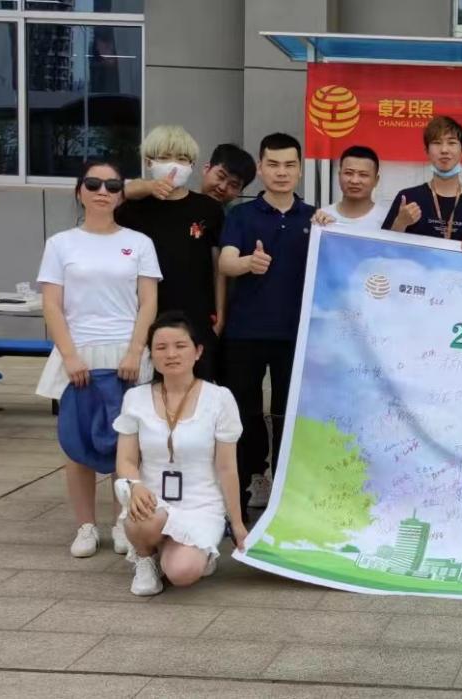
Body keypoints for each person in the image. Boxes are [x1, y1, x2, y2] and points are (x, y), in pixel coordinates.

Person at [36, 160, 161, 558]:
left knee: (126, 443)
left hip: (126, 353)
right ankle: (85, 526)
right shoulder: (60, 244)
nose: (102, 191)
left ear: (122, 194)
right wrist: (70, 356)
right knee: (78, 442)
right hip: (79, 353)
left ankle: (124, 521)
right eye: (93, 184)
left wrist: (136, 350)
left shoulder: (139, 242)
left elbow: (148, 302)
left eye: (112, 185)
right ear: (80, 191)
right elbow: (52, 305)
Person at [113, 311, 246, 596]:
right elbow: (126, 460)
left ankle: (184, 551)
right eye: (161, 347)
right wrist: (135, 486)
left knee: (182, 573)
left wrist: (237, 524)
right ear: (151, 355)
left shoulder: (220, 398)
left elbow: (227, 468)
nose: (171, 354)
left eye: (180, 346)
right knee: (141, 513)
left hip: (201, 505)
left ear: (197, 351)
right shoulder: (135, 398)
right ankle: (145, 558)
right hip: (152, 502)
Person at [217, 132, 314, 520]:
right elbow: (225, 262)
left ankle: (287, 497)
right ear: (260, 168)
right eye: (273, 164)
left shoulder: (315, 218)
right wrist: (247, 263)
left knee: (289, 416)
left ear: (300, 170)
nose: (281, 172)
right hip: (245, 333)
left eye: (289, 165)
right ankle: (243, 490)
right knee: (244, 414)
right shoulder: (241, 216)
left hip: (297, 336)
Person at [114, 125, 226, 381]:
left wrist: (220, 315)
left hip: (197, 316)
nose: (174, 165)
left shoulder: (208, 209)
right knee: (148, 391)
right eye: (164, 158)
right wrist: (142, 188)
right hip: (144, 318)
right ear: (148, 162)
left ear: (193, 165)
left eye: (182, 159)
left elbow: (217, 266)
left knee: (198, 389)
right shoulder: (131, 209)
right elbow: (100, 197)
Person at [381, 116, 462, 250]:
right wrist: (400, 223)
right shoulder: (408, 198)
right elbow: (383, 249)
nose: (444, 150)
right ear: (427, 151)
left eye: (451, 143)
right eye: (437, 143)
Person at [125, 143, 256, 208]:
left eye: (234, 185)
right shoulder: (178, 200)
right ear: (206, 169)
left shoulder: (235, 220)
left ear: (240, 191)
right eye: (220, 177)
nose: (222, 187)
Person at [313, 145, 388, 230]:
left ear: (376, 180)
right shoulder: (322, 218)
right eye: (348, 173)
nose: (354, 181)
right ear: (339, 176)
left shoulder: (387, 219)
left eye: (363, 175)